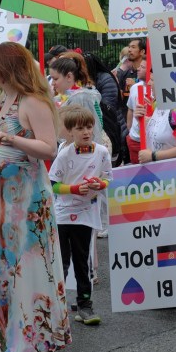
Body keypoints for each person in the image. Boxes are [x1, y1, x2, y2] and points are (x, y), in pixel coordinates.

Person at [0, 42, 71, 352]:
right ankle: (2, 334)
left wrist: (12, 138)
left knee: (25, 265)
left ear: (7, 67)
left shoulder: (33, 101)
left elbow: (49, 149)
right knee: (0, 265)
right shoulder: (5, 98)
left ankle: (29, 337)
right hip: (2, 196)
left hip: (26, 199)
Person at [134, 73, 176, 315]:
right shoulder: (158, 108)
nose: (150, 82)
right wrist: (138, 117)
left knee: (172, 234)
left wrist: (153, 157)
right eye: (150, 78)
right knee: (162, 234)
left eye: (155, 78)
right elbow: (139, 138)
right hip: (158, 177)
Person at [49, 105, 112, 324]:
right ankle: (56, 307)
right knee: (62, 262)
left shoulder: (102, 152)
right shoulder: (65, 154)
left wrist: (99, 184)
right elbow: (54, 185)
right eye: (79, 128)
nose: (86, 132)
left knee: (82, 261)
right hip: (64, 214)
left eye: (89, 127)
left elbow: (108, 180)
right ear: (70, 131)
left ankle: (85, 306)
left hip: (86, 214)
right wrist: (74, 189)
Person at [49, 54, 104, 145]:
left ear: (69, 77)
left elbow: (92, 131)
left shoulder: (81, 97)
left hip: (83, 152)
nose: (53, 83)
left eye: (55, 79)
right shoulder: (65, 97)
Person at [125, 59, 148, 164]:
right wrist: (130, 131)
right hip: (134, 139)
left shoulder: (158, 91)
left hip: (150, 141)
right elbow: (130, 109)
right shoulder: (134, 88)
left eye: (142, 67)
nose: (138, 68)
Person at [115, 38, 145, 110]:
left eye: (133, 47)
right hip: (126, 117)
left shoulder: (148, 74)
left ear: (142, 51)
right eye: (129, 47)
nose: (129, 50)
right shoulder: (123, 74)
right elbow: (119, 100)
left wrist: (134, 86)